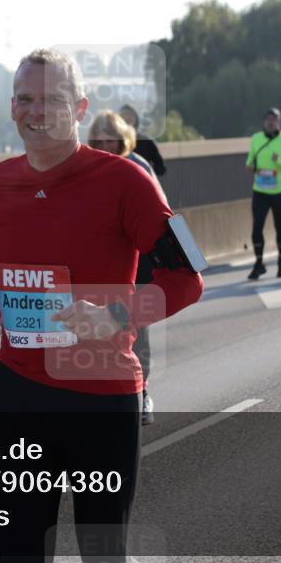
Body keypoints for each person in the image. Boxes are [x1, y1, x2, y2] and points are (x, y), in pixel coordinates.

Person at [0, 49, 203, 563]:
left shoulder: (130, 181)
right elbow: (4, 265)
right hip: (18, 393)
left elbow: (190, 276)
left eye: (53, 99)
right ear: (11, 107)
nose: (37, 111)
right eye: (25, 98)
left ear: (80, 107)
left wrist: (115, 314)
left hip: (101, 399)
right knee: (18, 561)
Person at [87, 110, 161, 425]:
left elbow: (162, 217)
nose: (106, 147)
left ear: (123, 141)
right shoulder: (84, 171)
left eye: (111, 141)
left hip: (138, 264)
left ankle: (142, 393)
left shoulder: (139, 167)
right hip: (100, 264)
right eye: (100, 141)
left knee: (135, 332)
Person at [246, 108, 281, 279]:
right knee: (257, 227)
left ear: (279, 122)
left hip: (280, 191)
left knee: (280, 227)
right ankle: (258, 263)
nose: (270, 122)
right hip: (260, 190)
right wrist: (252, 167)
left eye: (274, 119)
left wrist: (280, 162)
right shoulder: (256, 139)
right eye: (268, 119)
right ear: (264, 122)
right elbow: (250, 161)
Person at [119, 104, 166, 176]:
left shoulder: (146, 142)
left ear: (136, 118)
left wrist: (145, 172)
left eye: (130, 115)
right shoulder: (113, 142)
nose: (127, 118)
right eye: (123, 116)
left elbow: (161, 168)